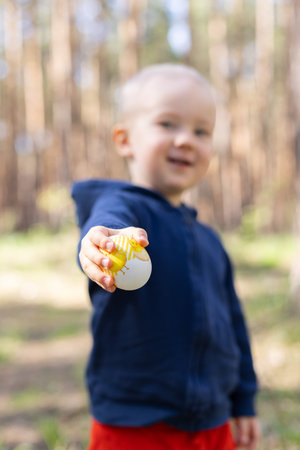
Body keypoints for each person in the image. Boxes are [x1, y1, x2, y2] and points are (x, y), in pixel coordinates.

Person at [72, 63, 261, 450]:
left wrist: (244, 399)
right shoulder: (123, 212)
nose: (186, 140)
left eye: (201, 131)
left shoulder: (210, 241)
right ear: (124, 140)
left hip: (212, 421)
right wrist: (102, 240)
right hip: (134, 423)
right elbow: (107, 219)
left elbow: (234, 324)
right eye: (168, 124)